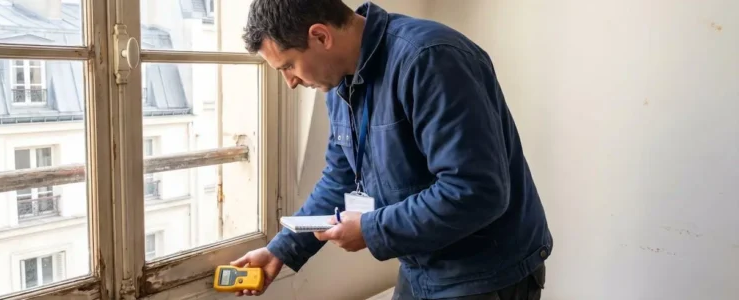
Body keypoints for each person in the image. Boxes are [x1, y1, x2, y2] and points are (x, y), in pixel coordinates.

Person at [231, 1, 553, 299]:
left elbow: (476, 191)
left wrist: (371, 229)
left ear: (320, 36)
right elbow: (340, 177)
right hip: (420, 267)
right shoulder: (338, 81)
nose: (290, 81)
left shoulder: (430, 58)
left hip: (485, 274)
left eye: (288, 66)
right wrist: (280, 250)